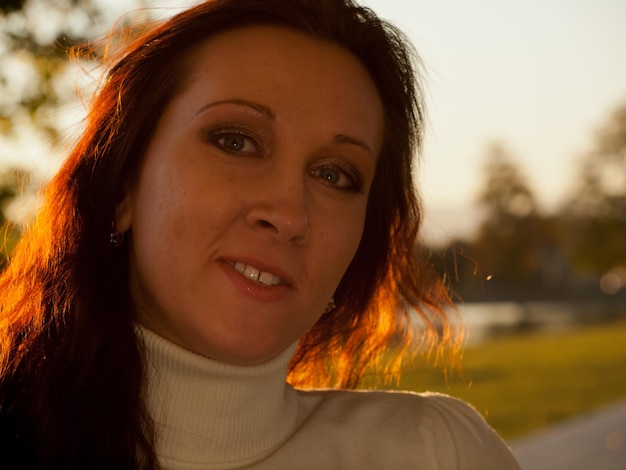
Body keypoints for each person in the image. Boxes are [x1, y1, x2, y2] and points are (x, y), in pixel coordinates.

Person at [0, 0, 521, 468]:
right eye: (236, 141)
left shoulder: (438, 454)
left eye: (334, 174)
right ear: (122, 189)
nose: (289, 213)